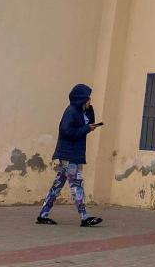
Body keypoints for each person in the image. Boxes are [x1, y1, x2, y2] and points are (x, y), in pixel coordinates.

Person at [36, 83, 103, 227]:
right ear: (81, 99)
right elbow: (66, 131)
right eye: (87, 99)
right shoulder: (71, 111)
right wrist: (85, 129)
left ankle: (43, 215)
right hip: (69, 154)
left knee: (57, 185)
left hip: (74, 153)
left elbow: (89, 122)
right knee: (76, 184)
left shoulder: (81, 111)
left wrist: (89, 112)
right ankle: (85, 217)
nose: (90, 100)